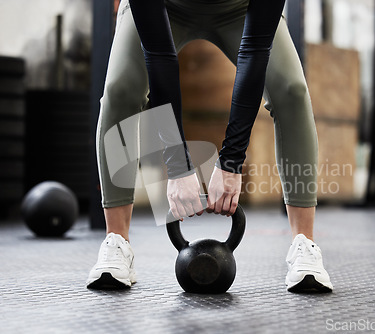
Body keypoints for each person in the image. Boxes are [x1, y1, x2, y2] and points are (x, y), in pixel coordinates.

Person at [86, 0, 333, 293]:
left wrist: (230, 162)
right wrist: (177, 163)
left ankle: (304, 244)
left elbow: (254, 51)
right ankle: (117, 242)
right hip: (166, 5)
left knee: (292, 90)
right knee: (120, 89)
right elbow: (158, 55)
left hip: (240, 7)